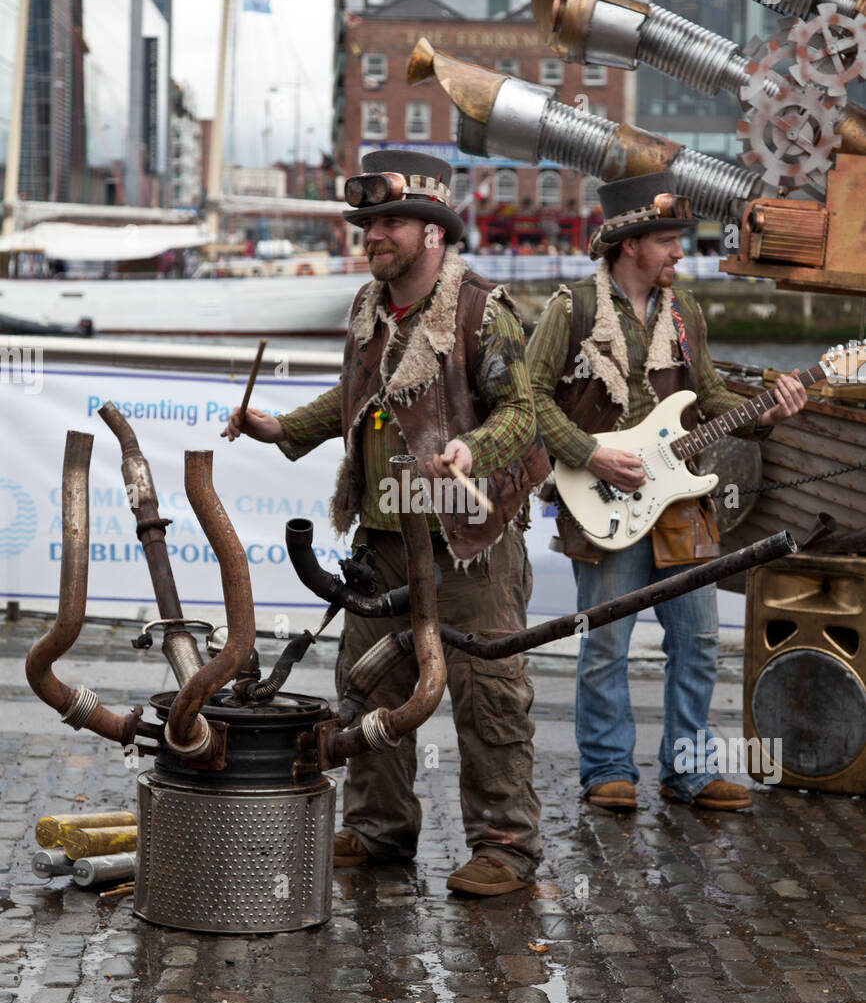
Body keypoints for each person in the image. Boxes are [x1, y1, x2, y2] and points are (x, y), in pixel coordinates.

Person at [223, 150, 550, 894]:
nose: (373, 235)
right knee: (368, 694)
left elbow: (523, 414)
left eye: (390, 222)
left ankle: (505, 847)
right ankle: (380, 830)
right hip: (383, 545)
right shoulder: (372, 313)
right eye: (367, 223)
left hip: (471, 545)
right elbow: (353, 399)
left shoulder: (481, 310)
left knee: (487, 696)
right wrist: (283, 429)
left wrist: (473, 448)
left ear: (433, 233)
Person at [526, 172, 807, 813]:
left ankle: (690, 768)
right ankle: (606, 770)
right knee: (606, 642)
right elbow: (531, 397)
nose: (681, 251)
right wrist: (591, 451)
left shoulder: (685, 314)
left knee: (699, 639)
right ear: (630, 245)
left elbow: (707, 398)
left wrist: (767, 410)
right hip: (603, 498)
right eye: (669, 240)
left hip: (681, 502)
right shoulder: (571, 309)